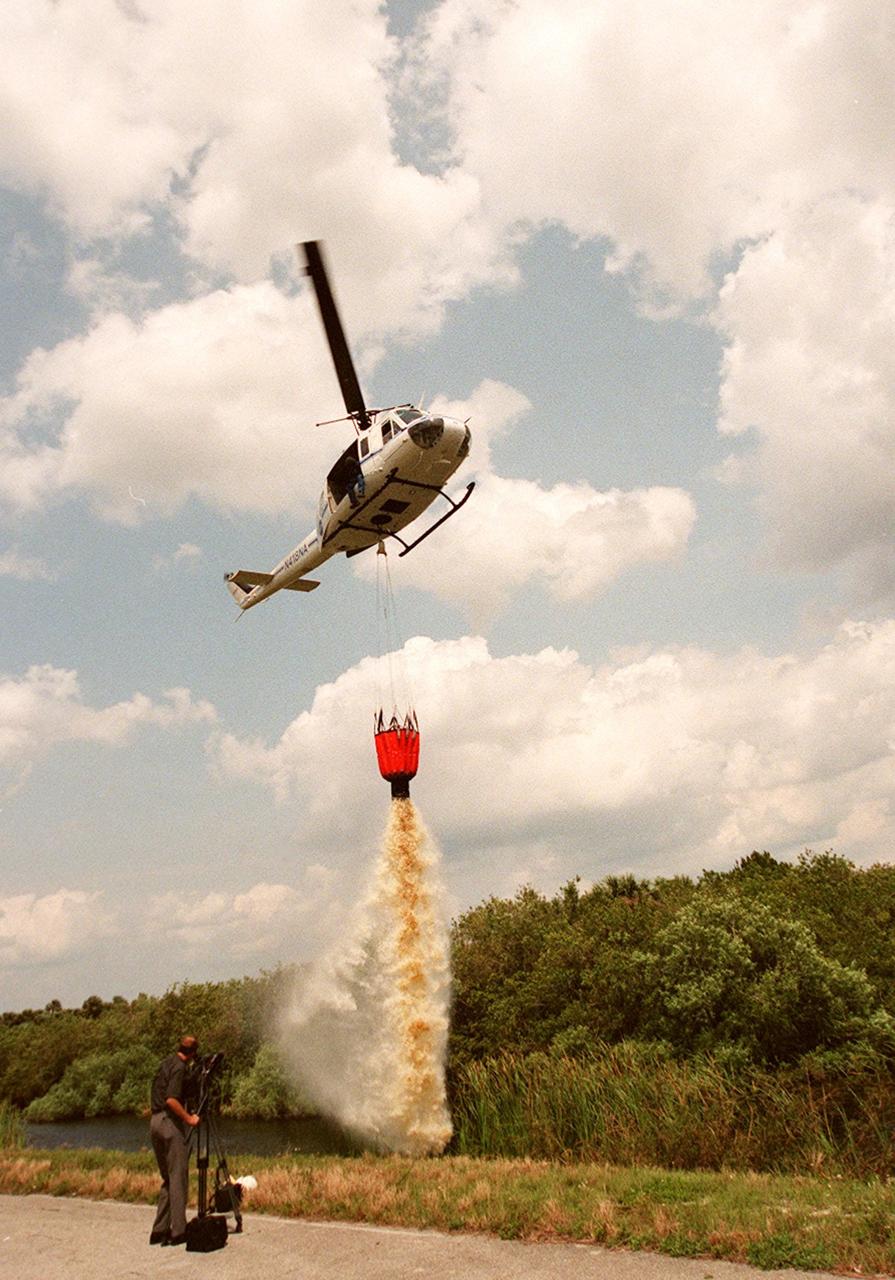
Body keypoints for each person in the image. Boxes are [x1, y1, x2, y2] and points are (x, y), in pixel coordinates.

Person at [149, 1035, 200, 1246]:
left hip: (155, 1122)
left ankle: (159, 1230)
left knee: (168, 1180)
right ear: (193, 1053)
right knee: (178, 1177)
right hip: (169, 1123)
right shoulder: (180, 1067)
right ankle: (179, 1231)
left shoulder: (167, 1063)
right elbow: (171, 1099)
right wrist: (190, 1118)